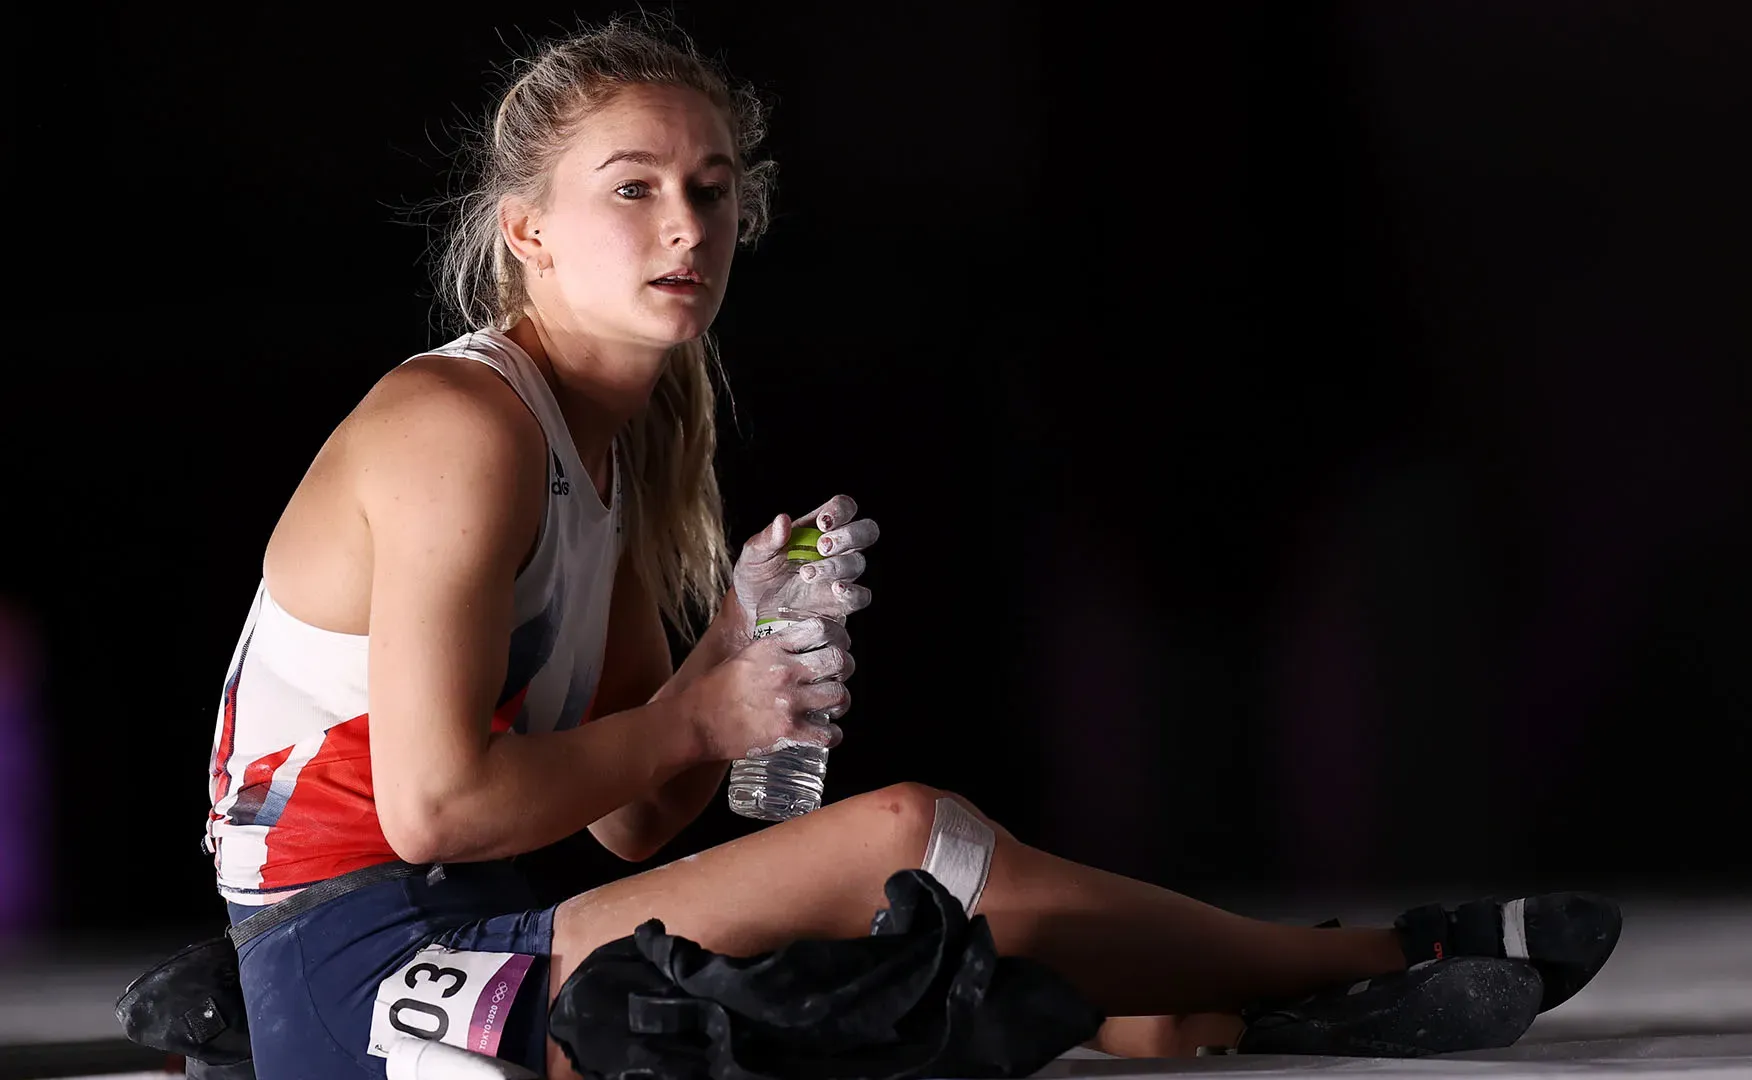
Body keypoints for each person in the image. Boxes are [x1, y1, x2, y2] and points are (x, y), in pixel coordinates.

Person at [202, 15, 1617, 1080]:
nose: (685, 223)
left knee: (1029, 957)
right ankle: (1369, 960)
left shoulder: (616, 443)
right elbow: (438, 813)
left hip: (503, 913)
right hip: (364, 972)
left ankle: (1261, 995)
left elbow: (625, 823)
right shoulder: (463, 424)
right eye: (631, 189)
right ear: (526, 233)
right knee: (906, 843)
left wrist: (719, 663)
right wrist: (700, 709)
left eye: (710, 188)